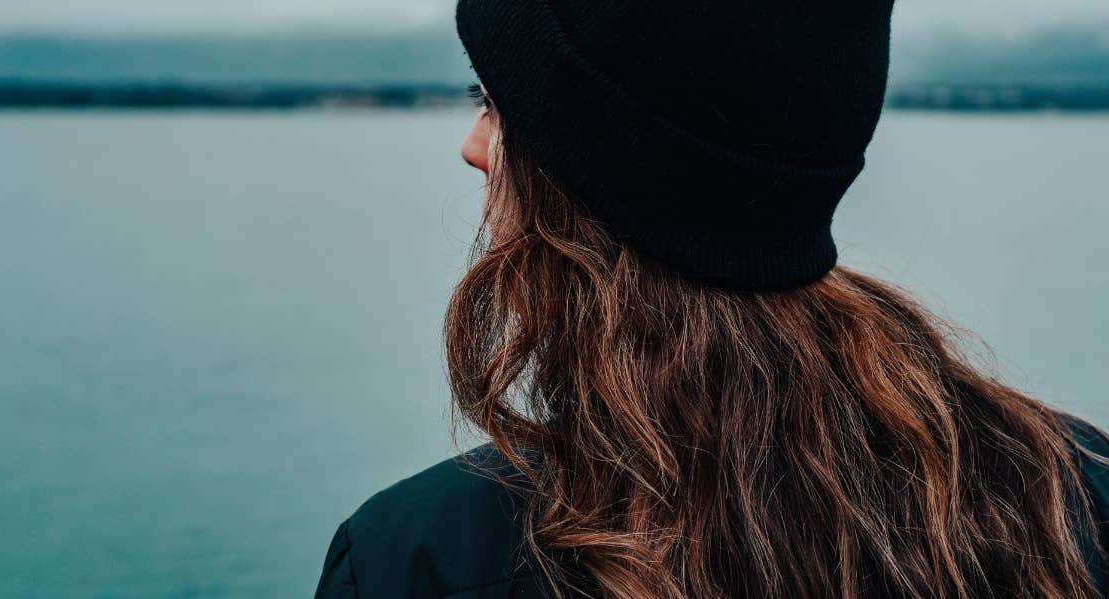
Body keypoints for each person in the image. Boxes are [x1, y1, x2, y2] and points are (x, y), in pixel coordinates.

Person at [314, 1, 1109, 597]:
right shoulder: (1071, 497)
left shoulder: (418, 560)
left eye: (494, 101)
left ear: (604, 167)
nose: (474, 145)